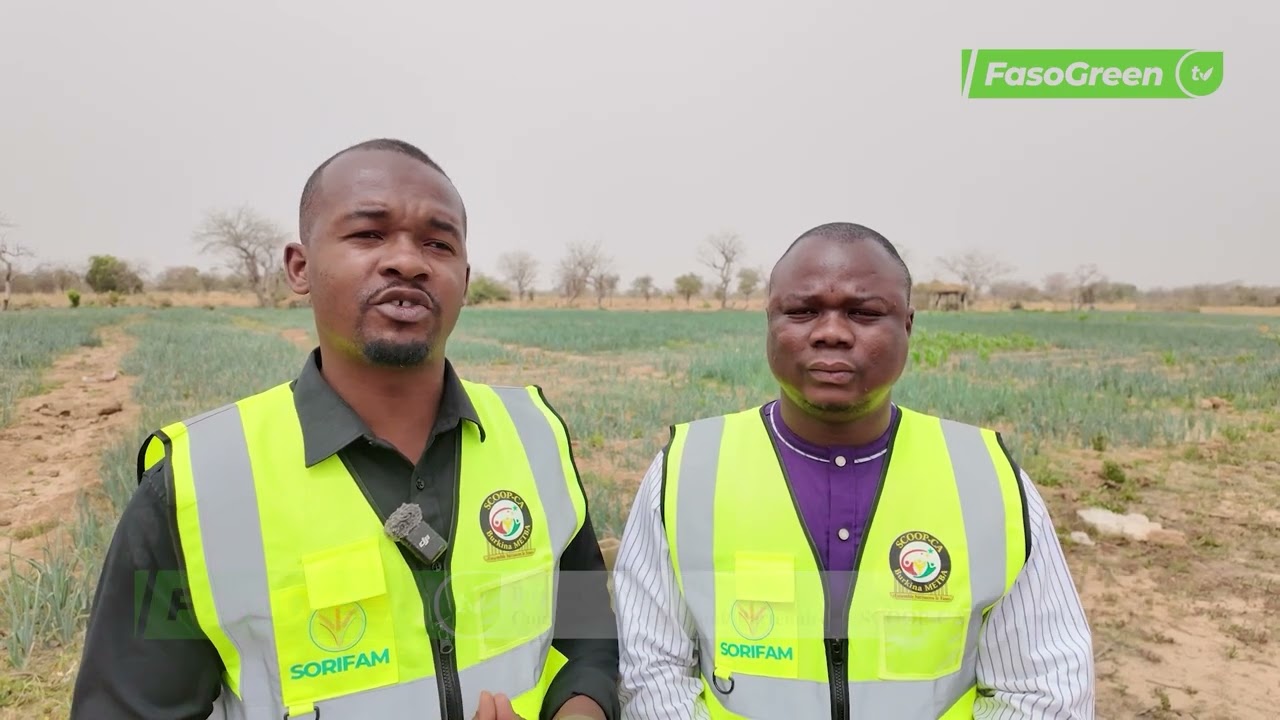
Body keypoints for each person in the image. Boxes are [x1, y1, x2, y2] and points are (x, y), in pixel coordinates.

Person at [71, 138, 619, 720]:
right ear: (300, 267)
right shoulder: (197, 488)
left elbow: (586, 629)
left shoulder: (534, 435)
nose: (408, 261)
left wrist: (580, 708)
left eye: (437, 242)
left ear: (464, 273)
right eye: (368, 234)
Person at [613, 222, 1095, 719]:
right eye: (802, 311)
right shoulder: (685, 471)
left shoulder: (988, 481)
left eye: (864, 313)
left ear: (907, 325)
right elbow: (652, 674)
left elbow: (1043, 691)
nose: (831, 333)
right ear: (770, 322)